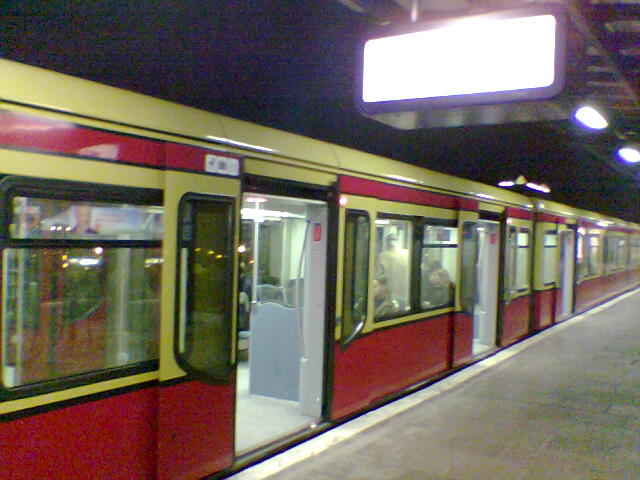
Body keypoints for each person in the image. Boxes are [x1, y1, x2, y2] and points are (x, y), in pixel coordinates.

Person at [377, 233, 409, 310]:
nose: (391, 242)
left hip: (393, 293)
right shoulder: (406, 253)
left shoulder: (383, 256)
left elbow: (380, 277)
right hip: (405, 292)